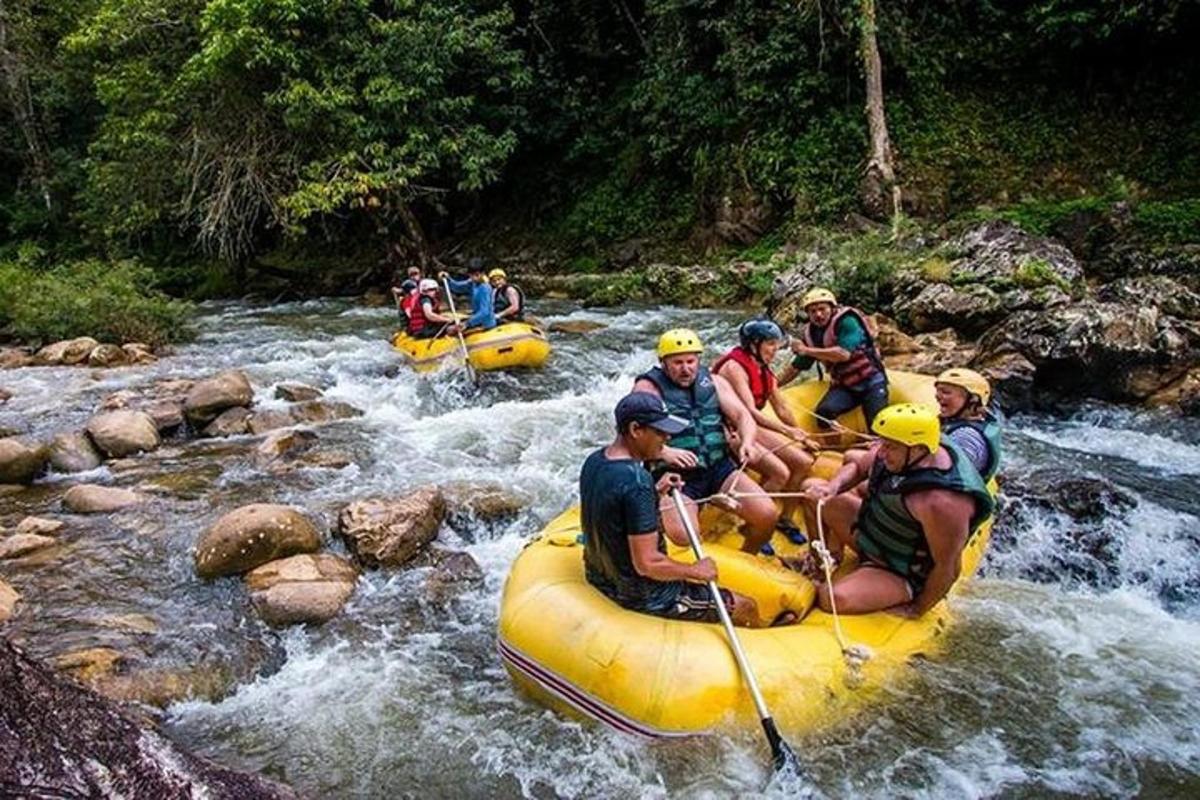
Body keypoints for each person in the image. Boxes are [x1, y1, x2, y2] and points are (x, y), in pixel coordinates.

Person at [582, 392, 764, 626]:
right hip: (646, 594)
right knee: (746, 606)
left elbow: (616, 510)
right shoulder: (637, 482)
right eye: (659, 431)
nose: (667, 437)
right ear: (636, 429)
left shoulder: (595, 461)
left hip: (600, 575)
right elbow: (647, 563)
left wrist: (656, 493)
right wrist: (695, 570)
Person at [799, 403, 994, 618]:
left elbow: (948, 567)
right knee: (811, 490)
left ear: (919, 448)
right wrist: (832, 486)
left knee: (832, 600)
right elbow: (859, 467)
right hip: (870, 535)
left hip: (898, 569)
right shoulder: (902, 449)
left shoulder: (942, 503)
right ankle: (820, 564)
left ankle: (897, 591)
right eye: (883, 443)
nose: (881, 452)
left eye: (890, 447)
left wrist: (917, 609)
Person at [633, 329, 779, 554]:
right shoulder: (648, 389)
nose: (686, 368)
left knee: (767, 514)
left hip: (719, 468)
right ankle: (664, 519)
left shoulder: (714, 382)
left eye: (691, 361)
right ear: (663, 363)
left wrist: (747, 442)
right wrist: (664, 452)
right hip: (675, 477)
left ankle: (746, 556)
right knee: (684, 536)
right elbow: (632, 435)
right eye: (677, 362)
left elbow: (743, 416)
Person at [712, 318, 819, 542]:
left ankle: (784, 519)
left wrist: (801, 434)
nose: (776, 349)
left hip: (749, 428)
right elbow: (748, 412)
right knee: (780, 472)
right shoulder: (734, 368)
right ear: (753, 345)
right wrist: (788, 433)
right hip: (728, 429)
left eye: (776, 343)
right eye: (770, 343)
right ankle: (753, 523)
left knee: (804, 462)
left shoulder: (764, 370)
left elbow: (781, 408)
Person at [785, 288, 889, 439]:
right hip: (846, 386)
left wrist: (807, 350)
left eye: (822, 309)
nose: (818, 315)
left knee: (878, 426)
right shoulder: (811, 334)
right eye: (813, 311)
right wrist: (773, 385)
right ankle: (833, 452)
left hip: (871, 382)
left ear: (832, 308)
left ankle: (877, 455)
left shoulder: (847, 322)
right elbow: (796, 367)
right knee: (824, 414)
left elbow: (843, 354)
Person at [935, 368, 1003, 483]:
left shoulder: (966, 437)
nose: (937, 396)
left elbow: (948, 479)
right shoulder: (972, 421)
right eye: (937, 391)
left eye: (945, 392)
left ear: (973, 399)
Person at [438, 258, 496, 334]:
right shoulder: (472, 283)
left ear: (482, 273)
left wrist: (467, 323)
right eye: (471, 275)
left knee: (450, 330)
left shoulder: (485, 288)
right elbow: (457, 287)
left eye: (477, 275)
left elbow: (484, 312)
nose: (474, 278)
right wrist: (448, 279)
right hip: (476, 320)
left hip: (485, 323)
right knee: (449, 326)